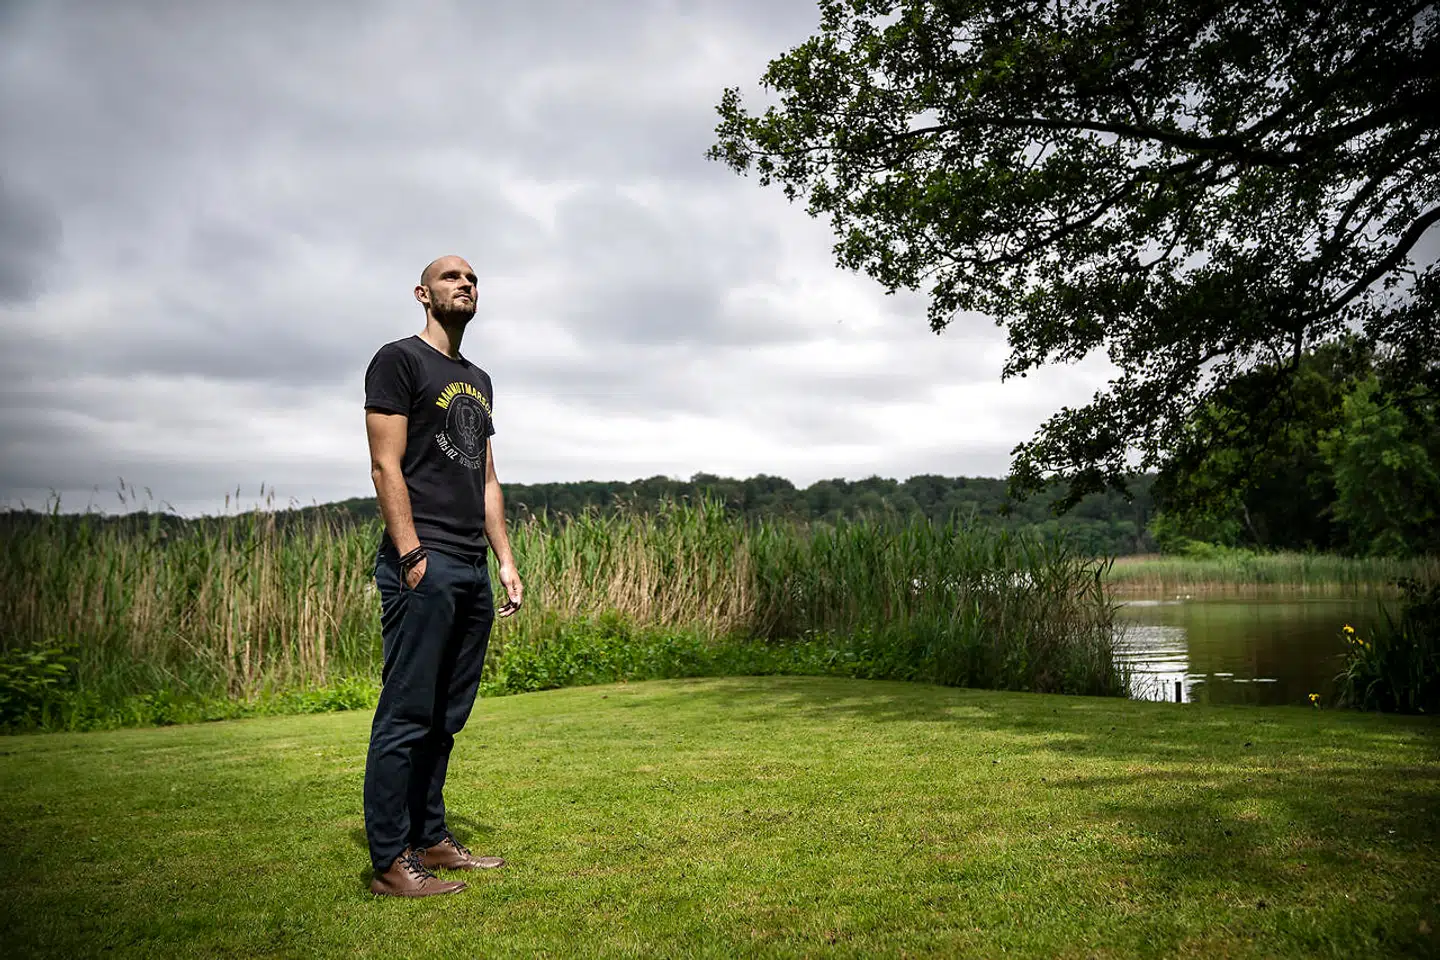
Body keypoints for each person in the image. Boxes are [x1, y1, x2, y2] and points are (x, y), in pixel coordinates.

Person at [361, 254, 524, 897]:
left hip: (471, 566)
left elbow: (486, 478)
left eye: (473, 278)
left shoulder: (478, 380)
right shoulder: (399, 360)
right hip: (423, 560)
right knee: (406, 713)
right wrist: (410, 555)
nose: (466, 284)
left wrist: (504, 559)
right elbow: (385, 465)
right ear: (422, 293)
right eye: (452, 277)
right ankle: (390, 859)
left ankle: (430, 837)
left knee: (445, 716)